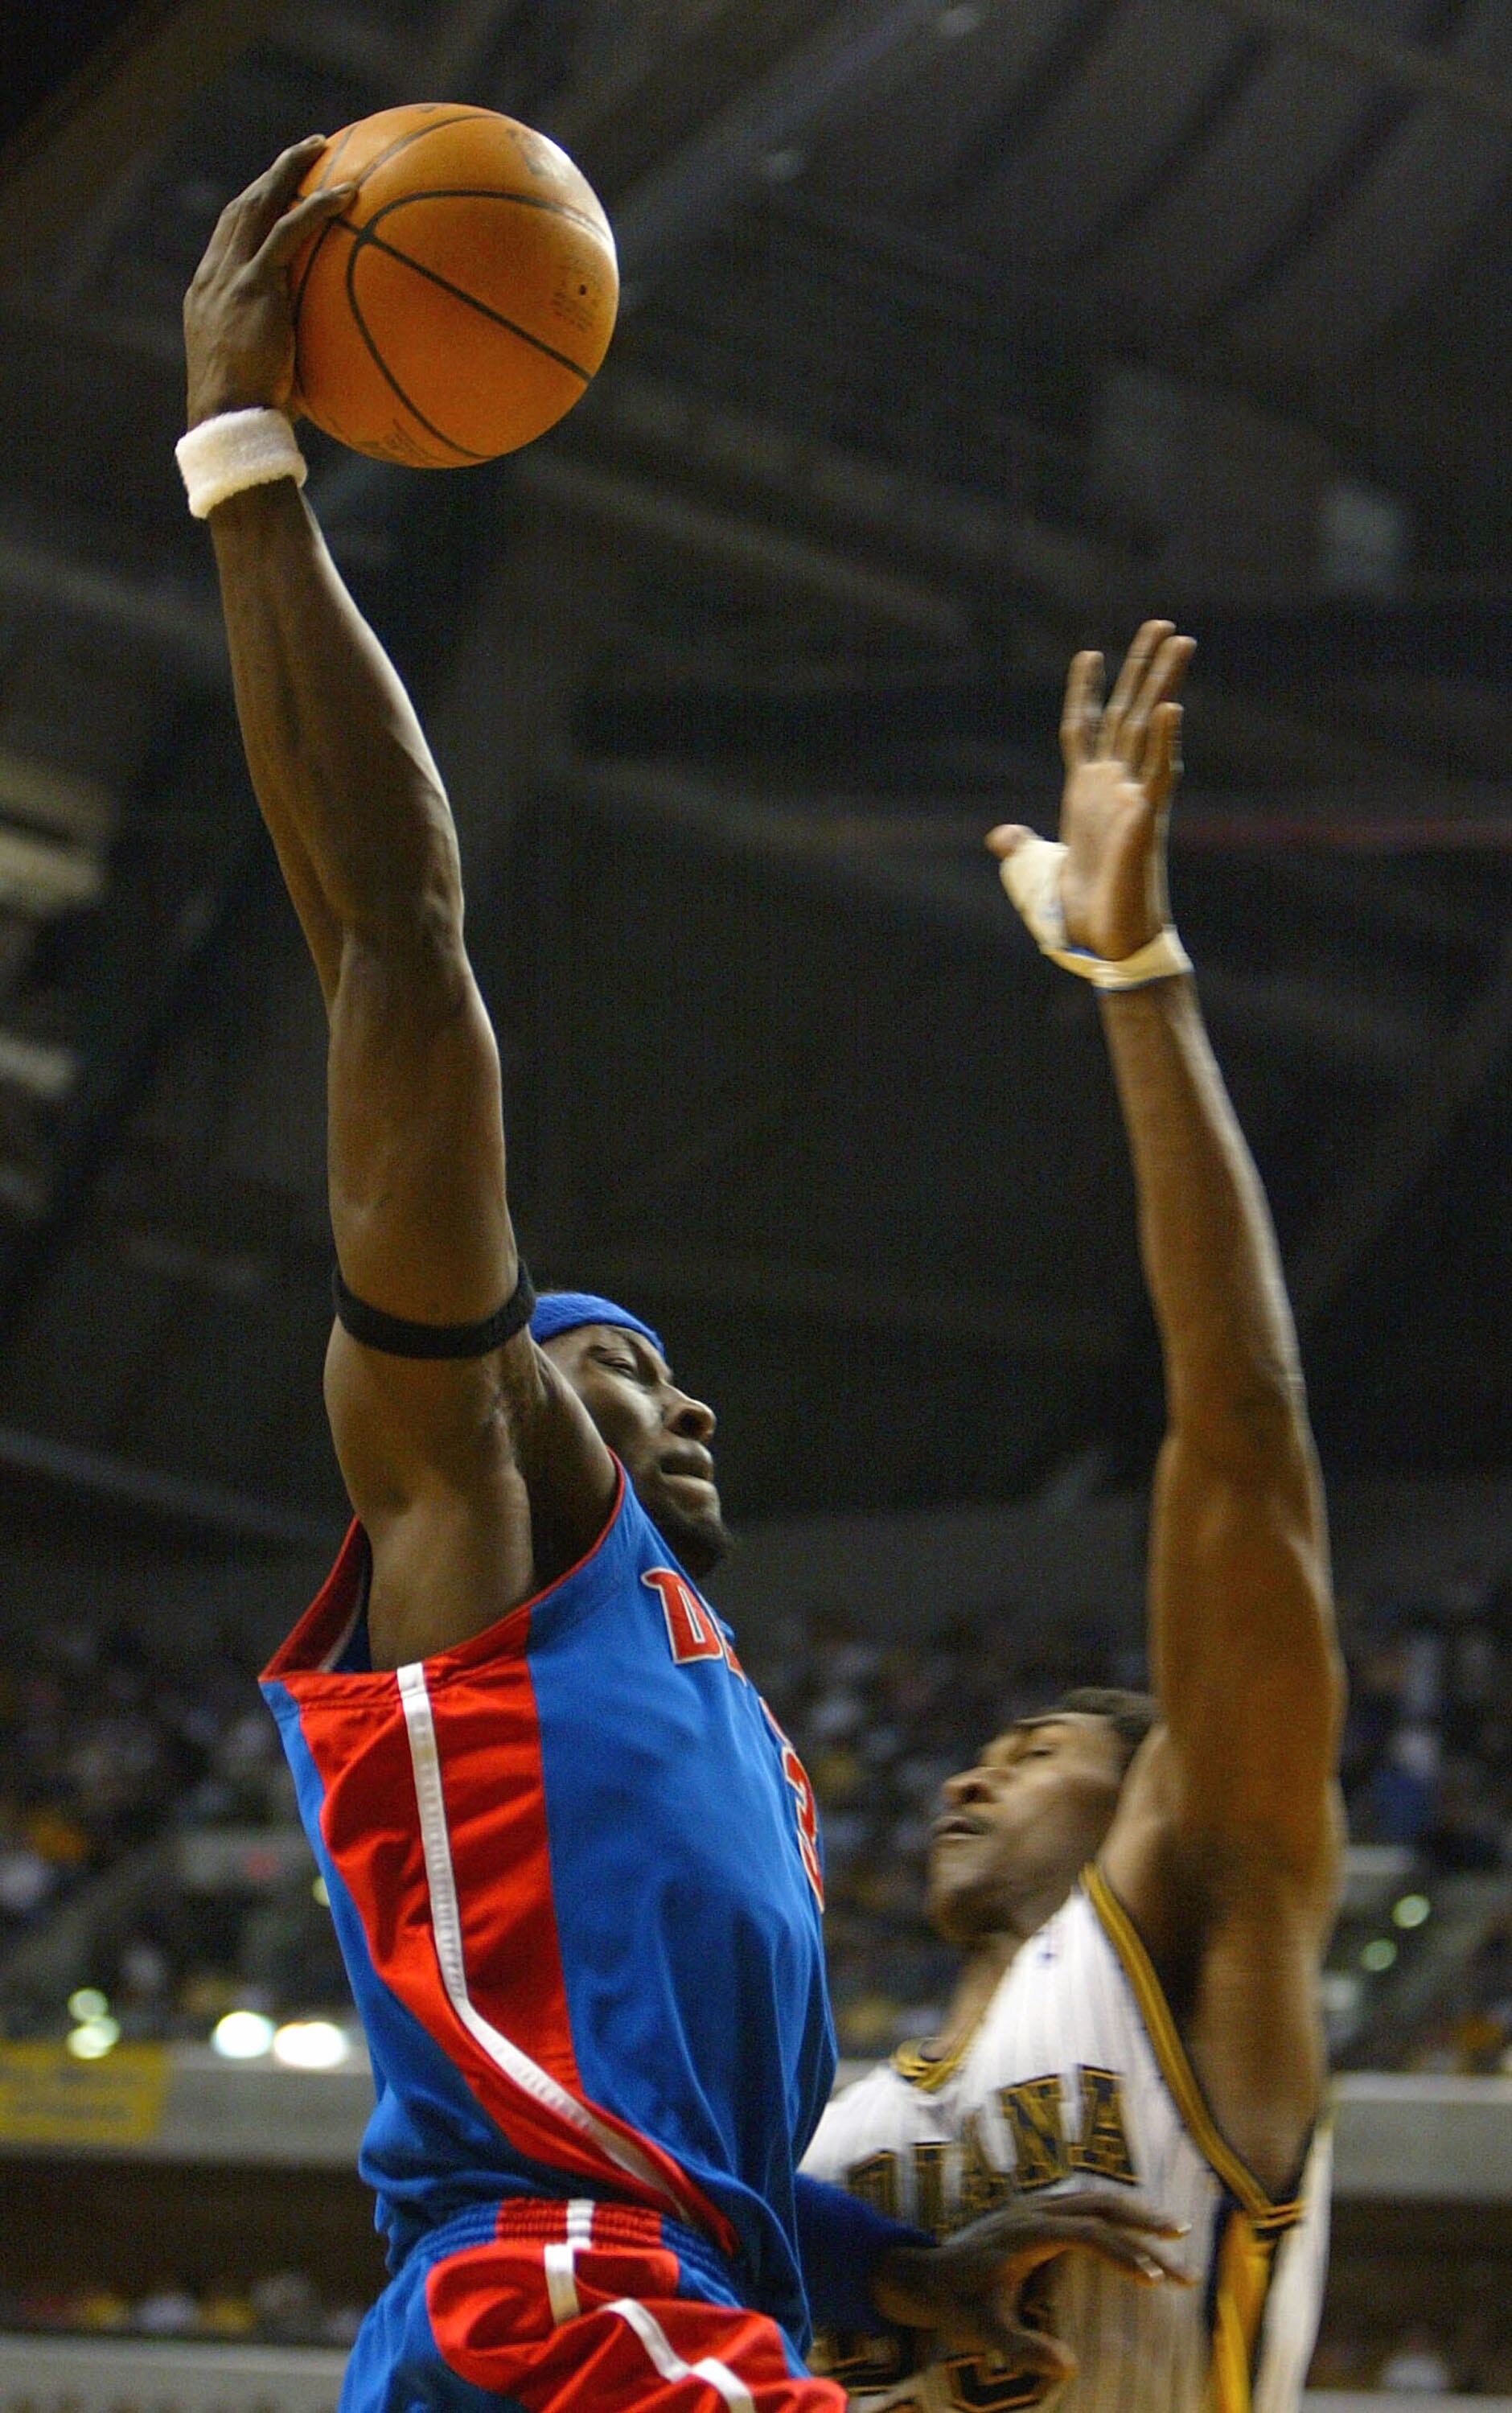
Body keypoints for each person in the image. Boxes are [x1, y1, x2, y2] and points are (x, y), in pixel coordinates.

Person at [178, 145, 1181, 2413]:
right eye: (625, 1367)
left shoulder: (730, 1717)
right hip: (553, 2319)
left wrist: (881, 2258)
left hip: (651, 2305)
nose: (688, 1402)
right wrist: (254, 474)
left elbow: (688, 2163)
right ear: (512, 1405)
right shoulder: (478, 1520)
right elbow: (395, 957)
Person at [802, 624, 1344, 2413]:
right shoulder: (840, 2126)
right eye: (985, 1750)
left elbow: (1241, 1451)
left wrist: (1139, 983)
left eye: (1036, 1748)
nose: (971, 1771)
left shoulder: (1190, 1935)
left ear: (1159, 1804)